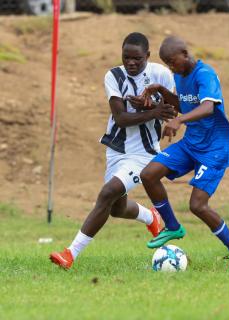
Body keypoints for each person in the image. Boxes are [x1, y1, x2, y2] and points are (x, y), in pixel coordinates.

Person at [50, 32, 176, 269]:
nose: (131, 62)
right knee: (117, 207)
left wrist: (159, 110)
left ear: (147, 56)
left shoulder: (161, 74)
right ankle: (151, 217)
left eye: (137, 58)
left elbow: (173, 109)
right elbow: (120, 118)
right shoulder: (114, 76)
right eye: (126, 57)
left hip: (145, 153)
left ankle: (70, 254)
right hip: (117, 150)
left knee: (107, 194)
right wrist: (152, 112)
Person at [140, 36, 229, 272]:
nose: (170, 67)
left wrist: (179, 120)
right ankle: (172, 226)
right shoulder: (180, 75)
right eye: (167, 63)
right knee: (149, 174)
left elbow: (208, 107)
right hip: (191, 143)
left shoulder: (205, 74)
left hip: (214, 148)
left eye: (172, 62)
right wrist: (162, 91)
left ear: (185, 54)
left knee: (198, 205)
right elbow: (185, 104)